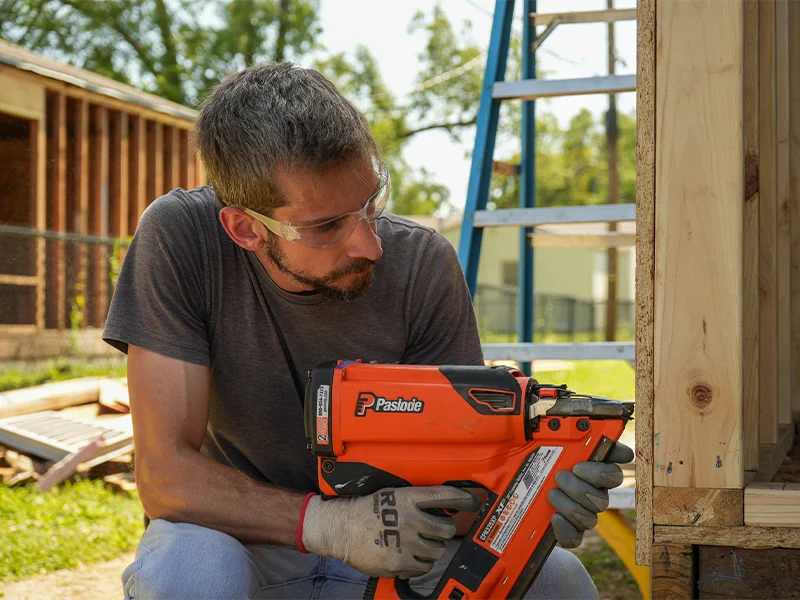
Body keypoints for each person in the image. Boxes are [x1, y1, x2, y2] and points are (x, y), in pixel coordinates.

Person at [103, 61, 632, 600]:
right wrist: (330, 525)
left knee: (558, 582)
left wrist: (527, 499)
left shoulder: (423, 263)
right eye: (327, 226)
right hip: (241, 541)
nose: (369, 245)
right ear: (246, 229)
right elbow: (164, 477)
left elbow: (460, 475)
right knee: (189, 574)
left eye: (371, 204)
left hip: (401, 546)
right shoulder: (181, 238)